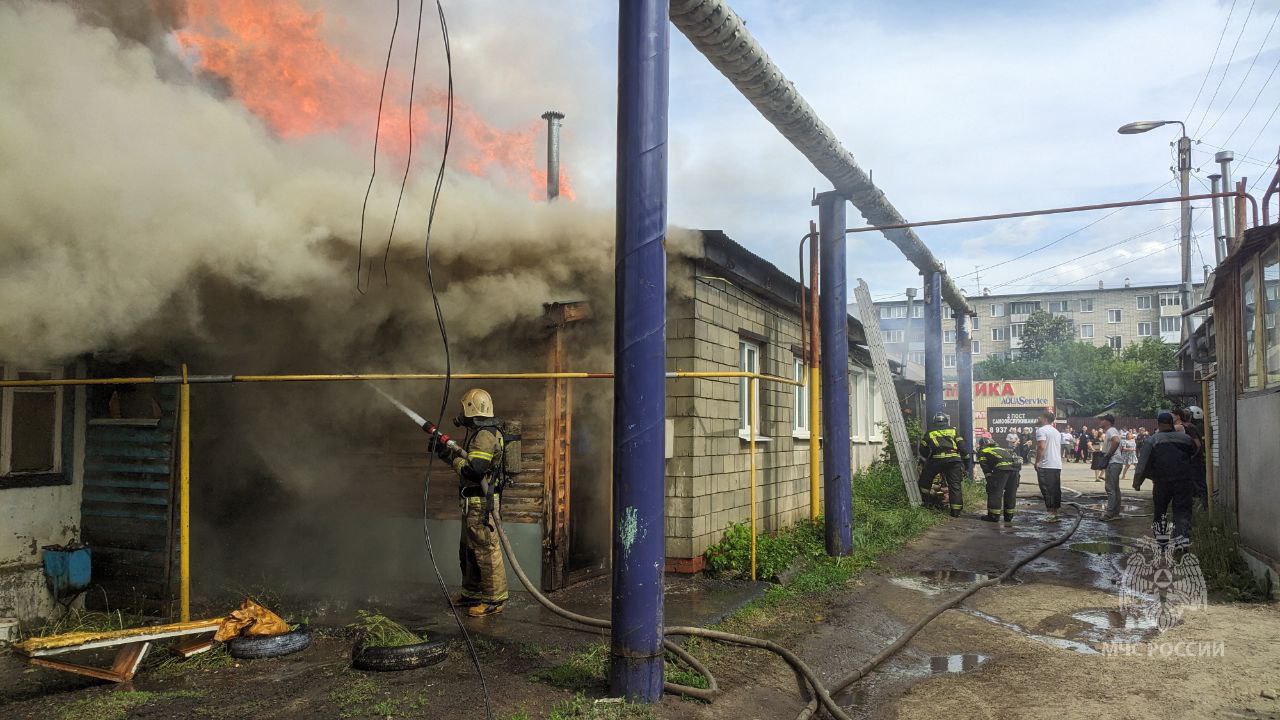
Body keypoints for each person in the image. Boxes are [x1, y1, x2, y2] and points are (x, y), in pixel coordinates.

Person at [433, 388, 510, 617]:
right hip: (472, 503)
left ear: (471, 409)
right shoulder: (480, 433)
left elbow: (474, 469)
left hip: (481, 504)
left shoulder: (485, 435)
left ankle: (494, 600)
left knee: (486, 550)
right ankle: (471, 594)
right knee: (468, 550)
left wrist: (449, 457)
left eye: (463, 408)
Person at [1133, 411, 1199, 540]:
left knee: (1160, 512)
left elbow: (1142, 463)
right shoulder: (1185, 439)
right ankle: (1181, 542)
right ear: (1171, 423)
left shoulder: (1152, 440)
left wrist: (1137, 482)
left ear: (1158, 424)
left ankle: (1162, 543)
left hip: (1162, 483)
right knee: (1181, 513)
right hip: (1183, 482)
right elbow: (1194, 452)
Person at [917, 412, 969, 517]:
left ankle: (927, 503)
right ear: (946, 421)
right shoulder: (953, 431)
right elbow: (962, 447)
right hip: (953, 461)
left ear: (934, 422)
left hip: (936, 460)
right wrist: (966, 463)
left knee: (924, 481)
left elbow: (922, 448)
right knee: (955, 485)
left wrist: (928, 456)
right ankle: (956, 511)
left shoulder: (930, 432)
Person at [976, 437, 1020, 522]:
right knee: (1011, 493)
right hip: (1015, 470)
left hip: (1002, 470)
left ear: (982, 445)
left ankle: (993, 516)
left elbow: (985, 467)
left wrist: (990, 480)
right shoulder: (1001, 448)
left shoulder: (983, 451)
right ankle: (1009, 516)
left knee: (995, 492)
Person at [1034, 411, 1064, 522]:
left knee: (1047, 489)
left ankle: (1051, 514)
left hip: (1046, 464)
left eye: (1040, 416)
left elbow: (1041, 447)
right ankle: (1054, 513)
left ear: (1045, 419)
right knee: (1055, 489)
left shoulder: (1041, 430)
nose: (1038, 417)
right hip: (1056, 464)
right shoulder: (1056, 431)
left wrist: (1037, 461)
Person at [1099, 414, 1124, 521]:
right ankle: (1116, 512)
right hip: (1116, 462)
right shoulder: (1112, 430)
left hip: (1113, 462)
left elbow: (1116, 441)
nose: (1100, 422)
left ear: (1107, 421)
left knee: (1110, 488)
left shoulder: (1110, 430)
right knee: (1115, 488)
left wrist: (1108, 455)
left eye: (1102, 420)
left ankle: (1109, 513)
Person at [1180, 406, 1207, 503]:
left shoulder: (1193, 427)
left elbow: (1198, 444)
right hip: (1195, 459)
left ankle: (1203, 503)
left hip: (1195, 460)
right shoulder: (1195, 426)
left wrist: (1191, 456)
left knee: (1198, 482)